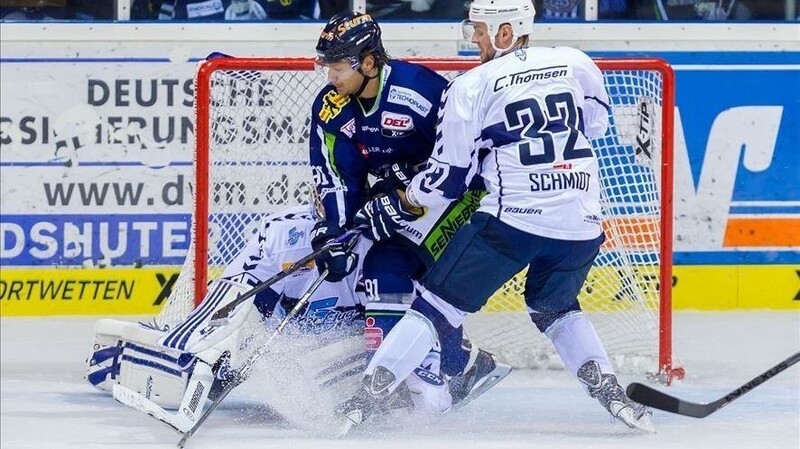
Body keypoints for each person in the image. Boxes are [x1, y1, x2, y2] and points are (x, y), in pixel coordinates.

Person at [343, 0, 655, 433]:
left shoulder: (472, 85)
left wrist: (400, 198)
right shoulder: (576, 62)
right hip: (582, 223)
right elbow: (595, 127)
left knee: (435, 307)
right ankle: (613, 397)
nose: (473, 38)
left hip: (513, 223)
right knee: (556, 308)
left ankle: (362, 400)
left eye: (479, 30)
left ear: (505, 33)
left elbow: (447, 183)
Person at [308, 10, 511, 424]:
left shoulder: (420, 90)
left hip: (454, 200)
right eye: (325, 64)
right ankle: (457, 365)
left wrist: (405, 200)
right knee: (379, 275)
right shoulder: (331, 110)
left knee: (403, 271)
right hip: (398, 202)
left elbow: (464, 161)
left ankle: (432, 371)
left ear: (368, 62)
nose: (329, 75)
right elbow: (335, 179)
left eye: (337, 64)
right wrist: (332, 230)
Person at [85, 204, 454, 431]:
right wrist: (210, 346)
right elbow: (232, 294)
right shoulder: (282, 232)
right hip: (274, 330)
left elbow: (406, 322)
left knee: (339, 389)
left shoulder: (388, 252)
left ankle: (457, 364)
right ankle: (152, 357)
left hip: (344, 345)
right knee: (199, 356)